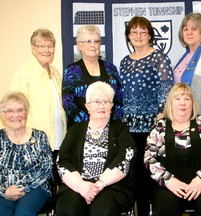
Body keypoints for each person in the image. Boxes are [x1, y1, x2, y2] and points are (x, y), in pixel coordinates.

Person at [119, 16, 174, 215]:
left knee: (151, 173)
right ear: (128, 36)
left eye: (143, 32)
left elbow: (167, 89)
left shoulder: (159, 58)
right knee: (134, 175)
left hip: (152, 125)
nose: (139, 36)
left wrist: (160, 114)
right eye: (134, 32)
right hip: (129, 126)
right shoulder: (124, 62)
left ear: (150, 35)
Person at [56, 81, 136, 216]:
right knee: (68, 210)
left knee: (102, 212)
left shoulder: (120, 129)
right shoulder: (75, 130)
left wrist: (99, 185)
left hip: (110, 187)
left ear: (112, 106)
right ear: (87, 106)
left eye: (106, 101)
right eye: (96, 102)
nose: (101, 106)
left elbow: (126, 157)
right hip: (77, 186)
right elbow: (62, 160)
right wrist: (81, 186)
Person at [144, 83, 201, 216]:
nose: (182, 103)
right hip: (169, 184)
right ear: (170, 103)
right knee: (163, 210)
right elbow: (149, 158)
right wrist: (168, 180)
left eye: (187, 99)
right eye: (177, 99)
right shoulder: (159, 127)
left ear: (192, 103)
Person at [11, 28, 67, 161]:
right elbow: (15, 110)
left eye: (50, 46)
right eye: (42, 46)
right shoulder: (24, 73)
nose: (47, 50)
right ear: (33, 48)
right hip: (33, 141)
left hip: (58, 139)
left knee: (55, 179)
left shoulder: (56, 73)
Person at [0, 91, 52, 216]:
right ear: (3, 115)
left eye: (20, 110)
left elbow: (47, 168)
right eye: (10, 111)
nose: (16, 115)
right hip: (4, 190)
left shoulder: (40, 137)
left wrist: (23, 188)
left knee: (23, 212)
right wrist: (4, 191)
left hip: (36, 188)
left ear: (26, 113)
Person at [62, 25, 123, 129]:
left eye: (96, 41)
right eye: (88, 41)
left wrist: (110, 121)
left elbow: (120, 98)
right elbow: (67, 102)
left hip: (110, 128)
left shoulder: (111, 68)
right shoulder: (71, 70)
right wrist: (91, 123)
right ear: (79, 46)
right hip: (80, 129)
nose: (93, 45)